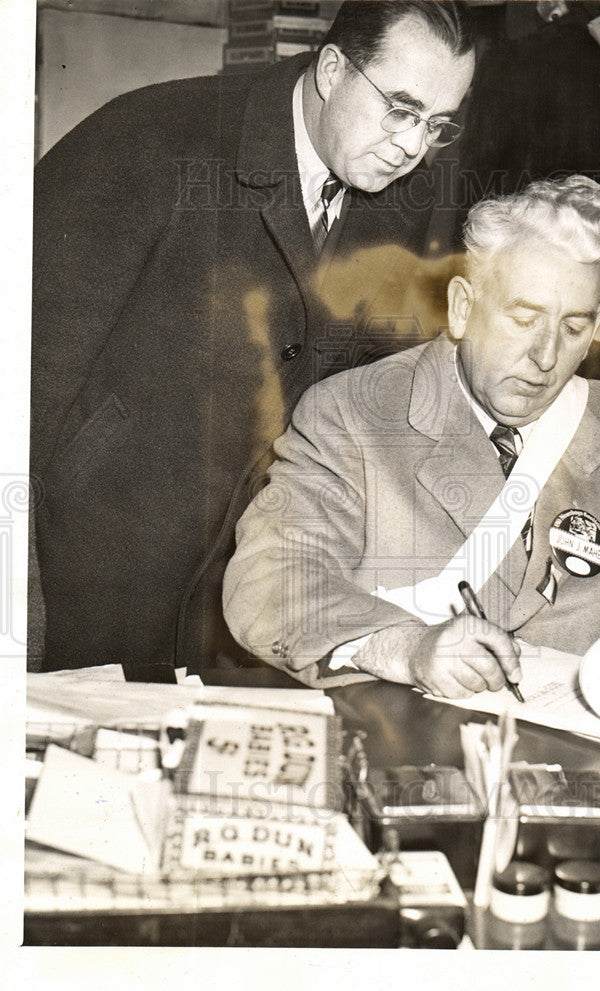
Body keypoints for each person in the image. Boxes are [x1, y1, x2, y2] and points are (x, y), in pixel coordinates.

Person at [30, 1, 476, 671]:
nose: (412, 146)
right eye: (401, 110)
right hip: (95, 559)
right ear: (331, 70)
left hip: (251, 577)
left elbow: (369, 386)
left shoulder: (403, 194)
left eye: (437, 124)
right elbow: (27, 371)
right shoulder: (148, 137)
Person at [223, 175, 600, 698]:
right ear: (463, 306)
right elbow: (271, 579)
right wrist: (405, 648)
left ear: (598, 323)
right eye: (523, 319)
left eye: (574, 327)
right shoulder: (353, 414)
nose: (546, 357)